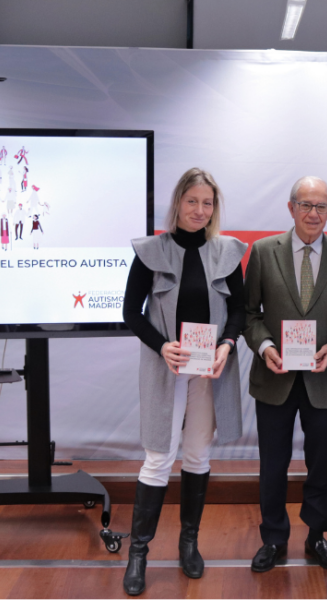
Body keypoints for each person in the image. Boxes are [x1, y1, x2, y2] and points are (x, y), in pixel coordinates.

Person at [121, 168, 247, 596]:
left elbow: (240, 312)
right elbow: (131, 313)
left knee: (197, 454)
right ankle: (138, 552)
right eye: (192, 201)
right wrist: (162, 347)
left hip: (210, 368)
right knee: (158, 456)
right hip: (167, 366)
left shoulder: (227, 251)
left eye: (207, 203)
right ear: (177, 203)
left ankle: (188, 544)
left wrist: (227, 345)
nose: (199, 210)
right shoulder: (151, 251)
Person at [243, 176, 327, 573]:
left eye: (321, 206)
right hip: (274, 376)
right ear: (291, 207)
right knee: (272, 465)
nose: (313, 213)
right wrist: (265, 347)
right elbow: (249, 314)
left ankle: (316, 536)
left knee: (322, 464)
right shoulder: (262, 251)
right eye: (306, 205)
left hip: (324, 379)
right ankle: (273, 539)